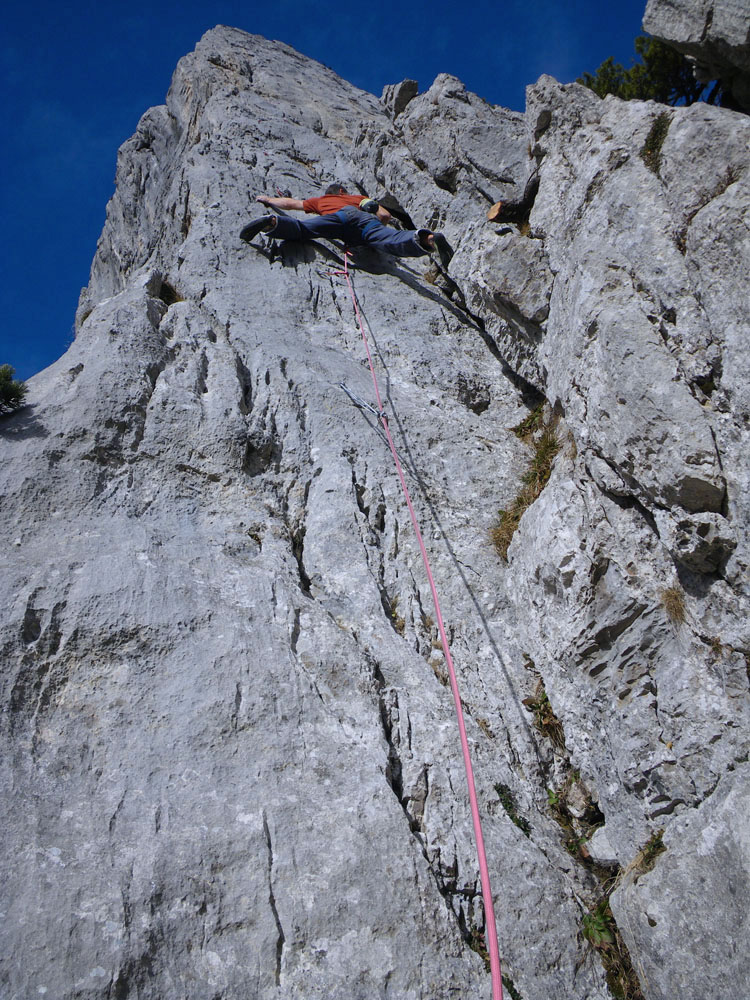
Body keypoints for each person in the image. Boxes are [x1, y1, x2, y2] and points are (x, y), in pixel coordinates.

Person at [240, 183, 451, 263]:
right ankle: (428, 238)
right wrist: (375, 228)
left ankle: (271, 222)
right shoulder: (357, 197)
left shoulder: (320, 201)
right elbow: (385, 216)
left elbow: (291, 203)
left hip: (336, 218)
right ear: (342, 191)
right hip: (363, 220)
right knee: (391, 240)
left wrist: (268, 200)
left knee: (304, 230)